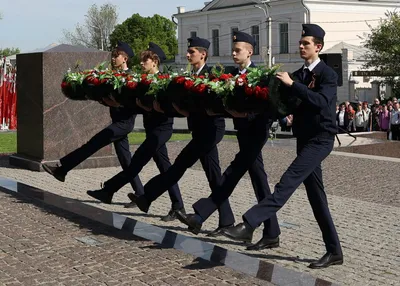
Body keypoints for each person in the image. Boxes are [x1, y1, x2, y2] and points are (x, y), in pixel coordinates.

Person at [179, 24, 343, 269]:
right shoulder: (298, 74)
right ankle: (334, 251)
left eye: (305, 43)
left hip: (321, 139)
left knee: (287, 181)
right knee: (316, 198)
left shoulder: (327, 74)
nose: (300, 46)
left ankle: (249, 223)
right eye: (300, 43)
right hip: (304, 138)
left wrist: (292, 85)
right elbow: (281, 104)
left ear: (317, 47)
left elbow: (320, 102)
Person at [127, 37, 235, 233]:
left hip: (211, 131)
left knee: (179, 166)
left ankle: (147, 197)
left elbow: (217, 103)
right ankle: (226, 221)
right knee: (214, 177)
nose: (187, 54)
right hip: (198, 130)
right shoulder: (189, 76)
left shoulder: (213, 75)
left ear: (203, 54)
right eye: (188, 51)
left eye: (191, 51)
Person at [86, 43, 184, 220]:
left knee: (136, 164)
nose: (141, 63)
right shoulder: (142, 81)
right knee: (165, 168)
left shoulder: (163, 80)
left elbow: (170, 107)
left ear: (154, 61)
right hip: (151, 130)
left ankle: (111, 190)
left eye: (145, 60)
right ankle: (177, 206)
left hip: (161, 130)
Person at [202, 30, 281, 248]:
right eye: (233, 50)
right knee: (258, 180)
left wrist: (246, 114)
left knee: (241, 174)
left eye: (238, 50)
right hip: (242, 132)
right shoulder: (233, 76)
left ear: (250, 52)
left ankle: (203, 212)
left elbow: (268, 107)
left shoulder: (261, 75)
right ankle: (271, 232)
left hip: (256, 131)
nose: (233, 54)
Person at [42, 41, 143, 196]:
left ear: (125, 59)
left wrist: (116, 103)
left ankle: (63, 169)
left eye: (117, 55)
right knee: (126, 160)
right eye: (113, 55)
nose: (113, 58)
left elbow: (131, 103)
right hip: (117, 122)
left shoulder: (131, 77)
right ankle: (139, 195)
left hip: (124, 123)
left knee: (93, 144)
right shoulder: (111, 75)